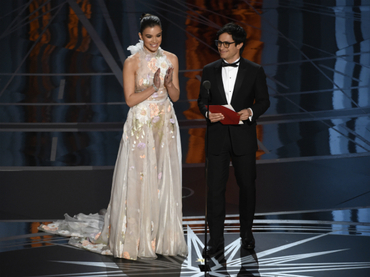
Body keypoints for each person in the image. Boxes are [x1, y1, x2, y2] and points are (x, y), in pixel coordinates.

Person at [39, 14, 188, 260]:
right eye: (149, 36)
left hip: (165, 124)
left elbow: (176, 96)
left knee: (162, 177)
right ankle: (134, 235)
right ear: (140, 36)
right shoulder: (132, 62)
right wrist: (153, 86)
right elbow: (130, 100)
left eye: (158, 36)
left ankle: (160, 235)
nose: (154, 41)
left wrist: (169, 84)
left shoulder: (171, 58)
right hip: (140, 125)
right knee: (139, 178)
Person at [198, 22, 270, 257]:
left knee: (247, 187)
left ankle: (246, 234)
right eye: (219, 43)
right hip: (217, 138)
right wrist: (208, 113)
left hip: (243, 137)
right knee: (214, 190)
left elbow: (263, 101)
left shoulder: (254, 70)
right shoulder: (208, 70)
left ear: (239, 45)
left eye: (226, 43)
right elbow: (202, 101)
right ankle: (215, 239)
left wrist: (250, 112)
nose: (221, 47)